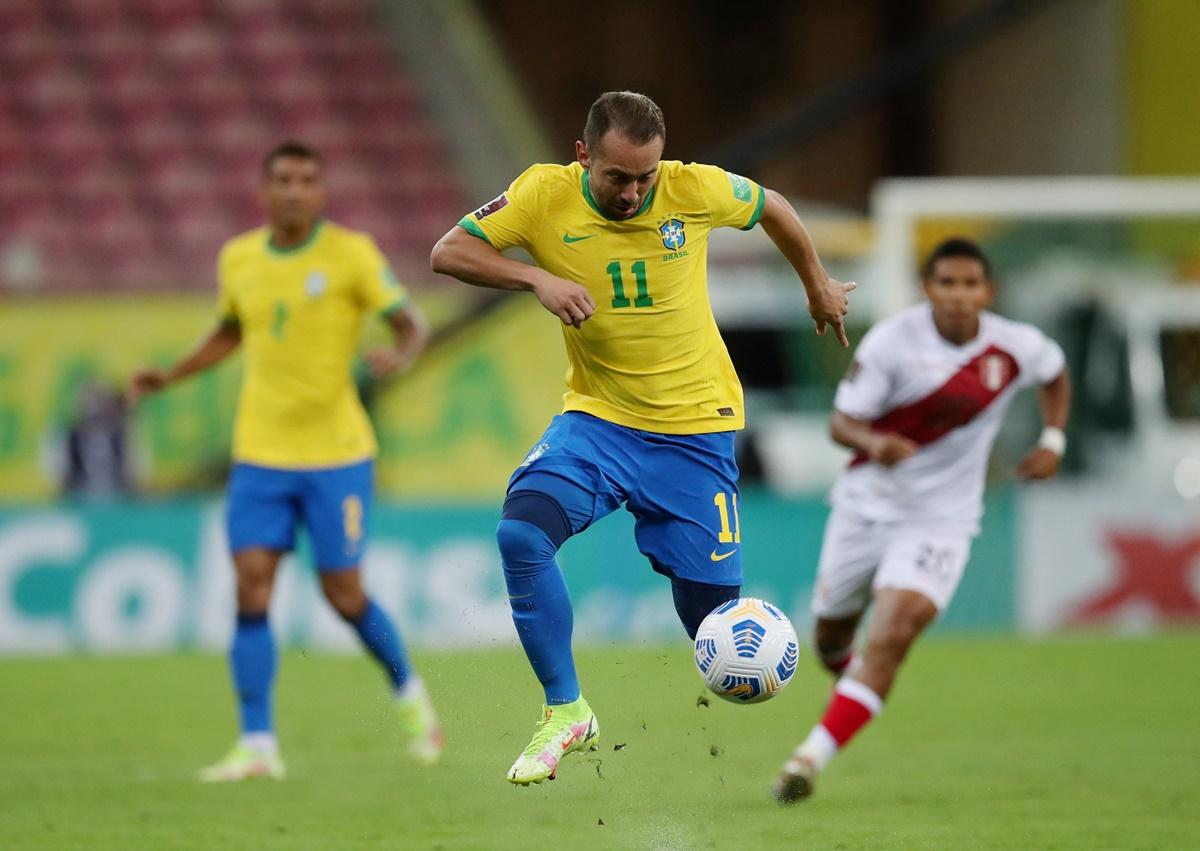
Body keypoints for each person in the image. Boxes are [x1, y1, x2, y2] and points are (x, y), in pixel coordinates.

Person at [430, 91, 854, 785]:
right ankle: (566, 709)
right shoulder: (541, 194)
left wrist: (816, 284)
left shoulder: (694, 188)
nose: (633, 192)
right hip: (598, 422)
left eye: (644, 177)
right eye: (617, 177)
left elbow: (773, 204)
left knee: (713, 625)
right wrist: (535, 276)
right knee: (520, 535)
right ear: (582, 155)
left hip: (696, 434)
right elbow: (449, 252)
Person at [127, 141, 440, 782]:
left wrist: (400, 356)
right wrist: (170, 376)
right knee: (250, 587)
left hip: (337, 456)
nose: (294, 191)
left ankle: (410, 695)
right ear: (264, 190)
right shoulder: (239, 258)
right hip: (260, 455)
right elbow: (230, 331)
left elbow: (411, 323)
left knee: (343, 594)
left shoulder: (351, 254)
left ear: (321, 192)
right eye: (283, 180)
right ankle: (257, 744)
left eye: (306, 180)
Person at [772, 237, 1071, 803]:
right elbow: (841, 423)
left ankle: (808, 759)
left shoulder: (1016, 346)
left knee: (892, 633)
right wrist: (875, 440)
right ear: (927, 288)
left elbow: (1055, 374)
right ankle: (854, 683)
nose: (959, 296)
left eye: (970, 284)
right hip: (867, 506)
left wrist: (1053, 438)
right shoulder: (892, 343)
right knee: (831, 634)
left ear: (989, 291)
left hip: (943, 520)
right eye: (947, 283)